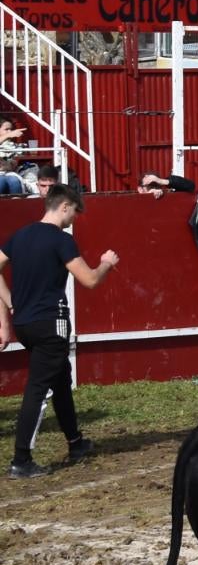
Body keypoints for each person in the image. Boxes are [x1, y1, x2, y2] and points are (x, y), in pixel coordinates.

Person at [2, 184, 119, 478]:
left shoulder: (20, 236)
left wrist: (11, 304)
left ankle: (75, 442)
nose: (75, 218)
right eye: (75, 212)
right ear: (64, 206)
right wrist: (106, 264)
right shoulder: (60, 240)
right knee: (38, 389)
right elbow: (90, 280)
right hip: (50, 323)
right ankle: (21, 459)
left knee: (61, 379)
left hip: (26, 324)